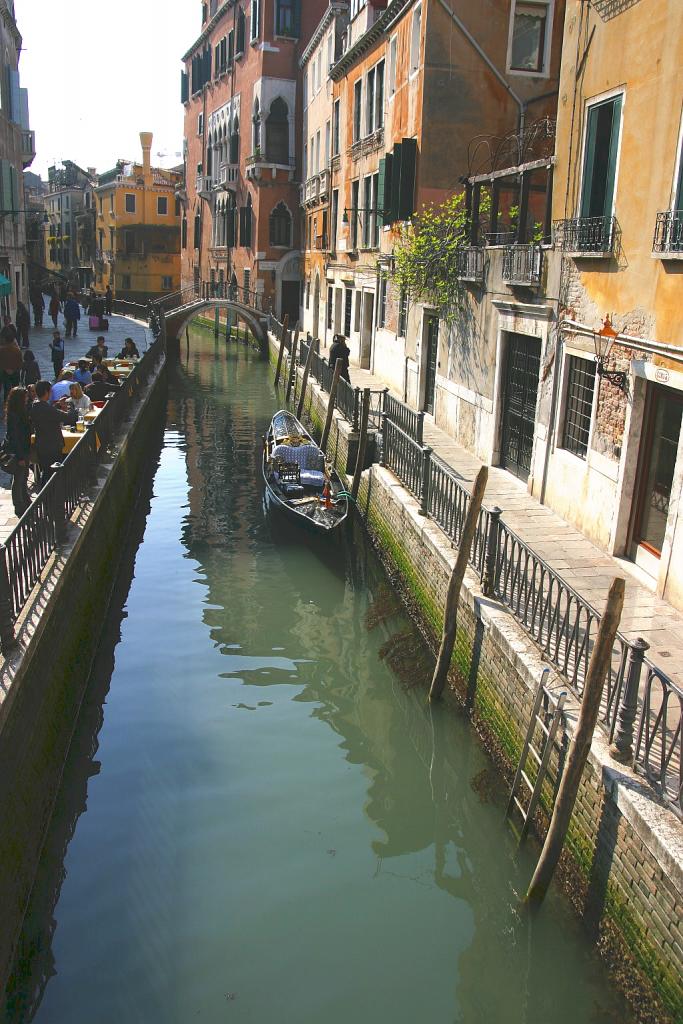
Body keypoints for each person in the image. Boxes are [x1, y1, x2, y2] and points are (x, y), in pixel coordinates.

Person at [31, 380, 76, 485]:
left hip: (41, 444)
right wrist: (70, 407)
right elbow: (68, 417)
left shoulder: (35, 406)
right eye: (50, 391)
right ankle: (51, 493)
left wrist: (57, 405)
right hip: (52, 445)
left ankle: (44, 491)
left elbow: (51, 413)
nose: (51, 393)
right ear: (46, 392)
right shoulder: (46, 408)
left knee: (46, 471)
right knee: (52, 472)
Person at [4, 386, 32, 515]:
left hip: (24, 449)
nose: (27, 399)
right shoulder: (14, 416)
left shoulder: (20, 411)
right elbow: (15, 438)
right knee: (19, 478)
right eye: (25, 397)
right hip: (19, 451)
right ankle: (19, 505)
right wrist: (20, 457)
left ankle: (25, 500)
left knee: (24, 476)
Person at [0, 333, 23, 404]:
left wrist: (6, 369)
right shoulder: (17, 350)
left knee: (6, 389)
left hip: (5, 372)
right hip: (15, 372)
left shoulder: (1, 350)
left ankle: (7, 403)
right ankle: (15, 402)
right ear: (13, 341)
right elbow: (20, 363)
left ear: (5, 340)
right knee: (15, 389)